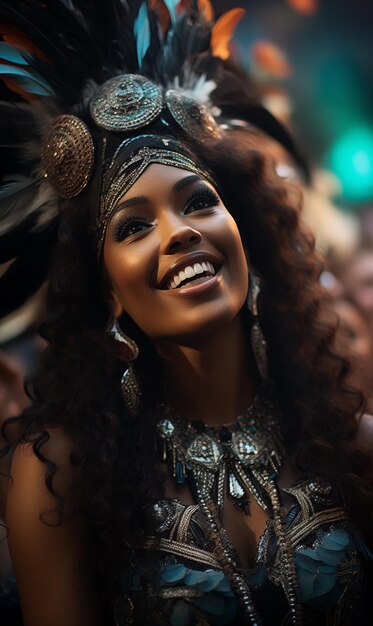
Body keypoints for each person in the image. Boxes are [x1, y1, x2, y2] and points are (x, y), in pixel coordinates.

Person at [0, 2, 372, 625]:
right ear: (107, 291)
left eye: (198, 201)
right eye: (134, 226)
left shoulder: (355, 447)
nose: (179, 233)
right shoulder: (58, 478)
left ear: (244, 233)